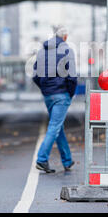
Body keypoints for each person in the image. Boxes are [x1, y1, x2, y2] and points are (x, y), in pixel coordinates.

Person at [32, 25, 77, 173]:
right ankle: (42, 159)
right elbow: (72, 77)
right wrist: (69, 94)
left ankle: (67, 160)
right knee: (54, 127)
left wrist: (45, 89)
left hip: (48, 95)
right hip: (61, 94)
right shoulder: (67, 51)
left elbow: (35, 75)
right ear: (64, 37)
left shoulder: (42, 51)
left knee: (58, 127)